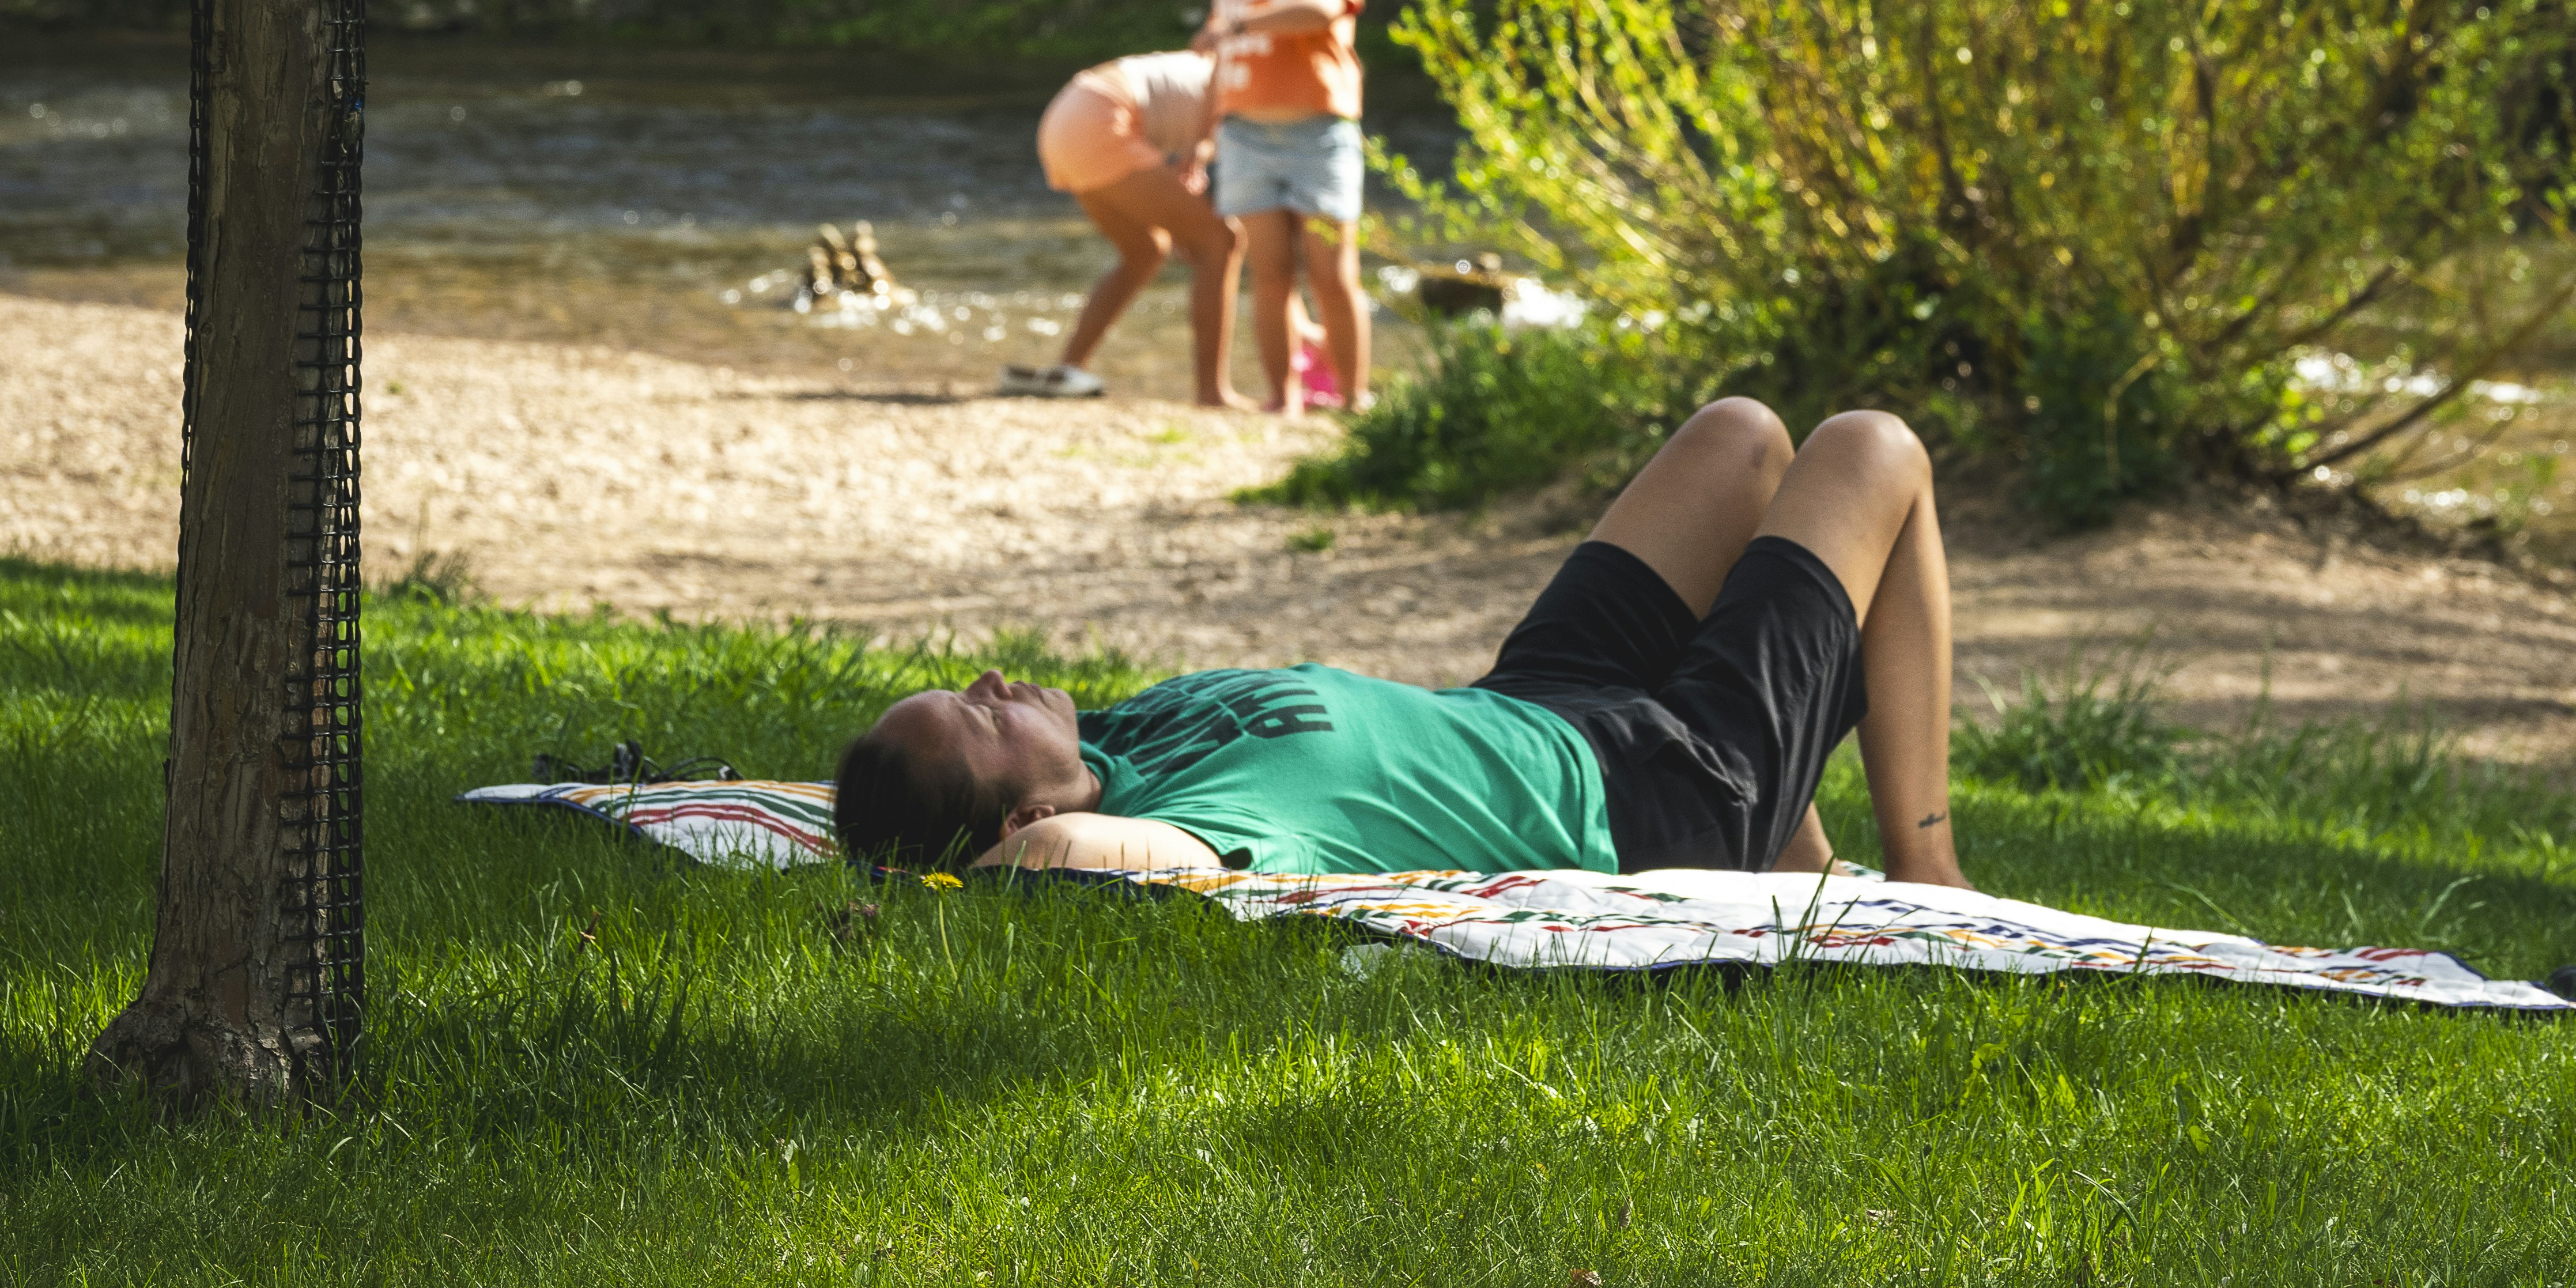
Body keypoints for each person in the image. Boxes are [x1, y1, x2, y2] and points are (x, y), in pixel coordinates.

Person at [830, 394, 1977, 896]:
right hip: (1651, 797)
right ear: (1030, 817)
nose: (989, 682)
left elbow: (908, 809)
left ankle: (1796, 855)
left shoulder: (1120, 740)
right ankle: (1930, 875)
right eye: (981, 720)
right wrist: (935, 878)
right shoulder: (1169, 833)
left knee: (1739, 442)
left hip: (1540, 702)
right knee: (1871, 449)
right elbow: (1048, 866)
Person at [1203, 0, 1372, 417]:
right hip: (1244, 137)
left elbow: (1323, 12)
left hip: (1317, 138)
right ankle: (1284, 399)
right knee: (1269, 274)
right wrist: (1204, 136)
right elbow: (1218, 58)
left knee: (1331, 274)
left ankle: (1354, 399)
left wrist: (1243, 21)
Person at [1004, 48, 1238, 406]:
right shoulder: (1247, 90)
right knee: (1222, 241)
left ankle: (1068, 369)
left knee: (1145, 252)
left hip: (1063, 120)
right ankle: (1213, 394)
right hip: (1102, 119)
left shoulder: (1209, 64)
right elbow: (1272, 249)